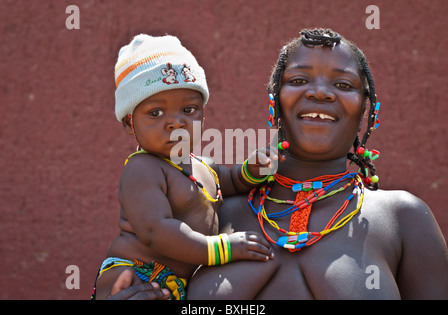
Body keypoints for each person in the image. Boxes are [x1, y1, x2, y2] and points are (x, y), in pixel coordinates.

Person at [109, 28, 448, 300]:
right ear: (274, 101)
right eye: (299, 80)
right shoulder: (210, 211)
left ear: (367, 110)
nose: (320, 92)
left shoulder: (403, 219)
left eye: (343, 85)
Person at [92, 34, 275, 300]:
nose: (176, 123)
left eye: (189, 110)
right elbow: (156, 230)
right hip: (136, 274)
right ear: (129, 123)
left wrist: (254, 170)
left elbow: (233, 181)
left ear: (203, 114)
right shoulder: (143, 168)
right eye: (156, 113)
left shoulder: (204, 166)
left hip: (176, 284)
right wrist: (221, 249)